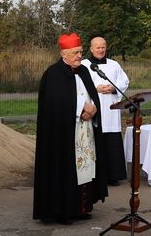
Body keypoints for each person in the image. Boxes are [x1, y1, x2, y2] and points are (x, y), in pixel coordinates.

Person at [33, 33, 108, 224]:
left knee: (85, 169)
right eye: (75, 53)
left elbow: (92, 96)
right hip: (64, 135)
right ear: (63, 53)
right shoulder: (53, 74)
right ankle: (62, 210)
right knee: (66, 169)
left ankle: (81, 208)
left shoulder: (83, 71)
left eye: (81, 52)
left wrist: (93, 109)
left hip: (85, 131)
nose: (79, 56)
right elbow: (55, 102)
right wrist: (81, 107)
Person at [82, 36, 129, 186]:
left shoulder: (114, 64)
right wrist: (95, 89)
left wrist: (114, 87)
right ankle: (95, 176)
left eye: (103, 47)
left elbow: (124, 80)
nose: (101, 50)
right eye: (98, 47)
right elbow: (79, 85)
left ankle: (113, 176)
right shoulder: (84, 65)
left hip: (111, 110)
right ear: (91, 49)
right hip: (94, 109)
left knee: (112, 142)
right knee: (95, 141)